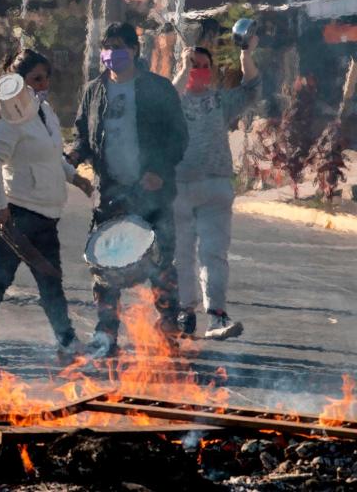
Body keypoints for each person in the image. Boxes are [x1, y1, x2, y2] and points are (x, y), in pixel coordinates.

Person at [0, 51, 94, 366]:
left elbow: (51, 154)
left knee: (51, 278)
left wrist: (74, 177)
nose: (43, 84)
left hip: (45, 213)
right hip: (12, 212)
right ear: (18, 82)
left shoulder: (45, 111)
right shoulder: (10, 118)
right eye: (37, 78)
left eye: (46, 77)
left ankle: (66, 341)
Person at [68, 22, 189, 359]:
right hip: (109, 193)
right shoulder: (94, 91)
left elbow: (178, 137)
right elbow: (82, 132)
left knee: (161, 262)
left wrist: (159, 172)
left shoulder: (158, 89)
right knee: (103, 266)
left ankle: (167, 327)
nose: (110, 54)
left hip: (151, 193)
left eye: (118, 47)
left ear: (135, 50)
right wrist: (75, 155)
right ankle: (106, 333)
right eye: (105, 47)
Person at [170, 37, 261, 340]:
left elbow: (251, 88)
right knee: (181, 254)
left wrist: (245, 53)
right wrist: (183, 70)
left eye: (204, 66)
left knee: (214, 253)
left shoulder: (220, 101)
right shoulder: (173, 99)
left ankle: (217, 316)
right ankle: (184, 311)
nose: (199, 70)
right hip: (178, 187)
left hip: (215, 186)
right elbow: (165, 99)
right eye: (193, 65)